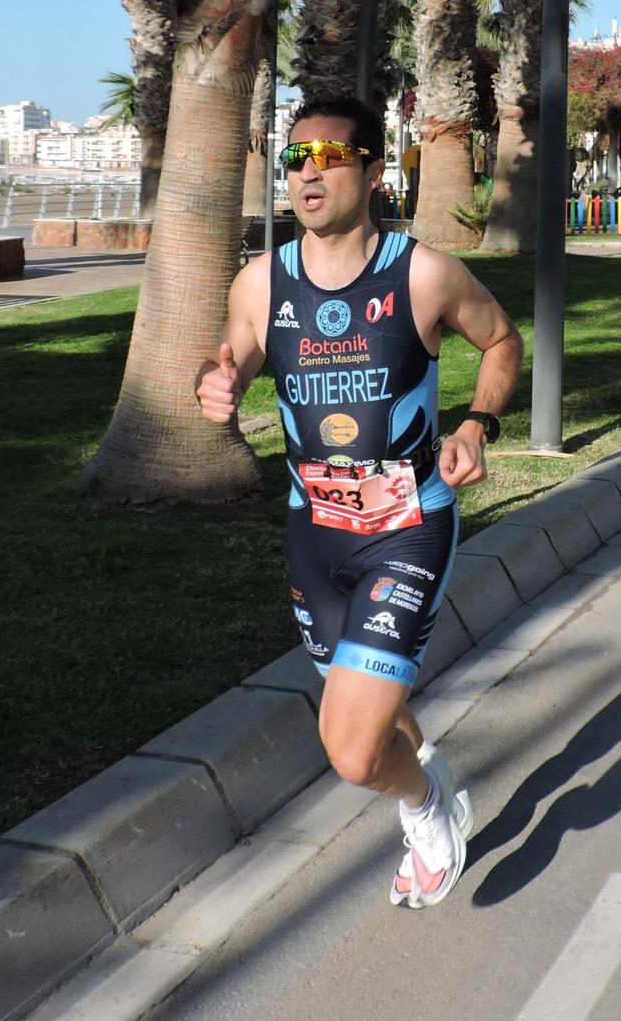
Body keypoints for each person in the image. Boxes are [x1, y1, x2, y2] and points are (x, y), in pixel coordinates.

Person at [196, 94, 523, 910]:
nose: (307, 173)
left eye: (328, 158)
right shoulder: (261, 282)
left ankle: (423, 812)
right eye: (295, 159)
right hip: (315, 538)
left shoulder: (422, 272)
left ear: (374, 171)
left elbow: (501, 338)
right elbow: (230, 355)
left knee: (348, 748)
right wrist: (220, 380)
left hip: (408, 527)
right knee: (371, 707)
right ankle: (427, 770)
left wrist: (478, 423)